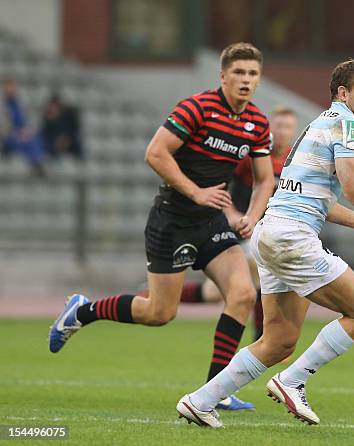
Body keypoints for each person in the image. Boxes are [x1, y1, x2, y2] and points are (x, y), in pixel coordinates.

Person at [175, 59, 354, 428]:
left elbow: (313, 195)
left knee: (279, 341)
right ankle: (293, 380)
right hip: (292, 237)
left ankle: (200, 400)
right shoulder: (347, 124)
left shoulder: (319, 124)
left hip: (272, 232)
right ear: (342, 93)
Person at [49, 43, 276, 411]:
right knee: (159, 313)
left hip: (212, 222)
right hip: (173, 218)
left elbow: (265, 180)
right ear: (223, 76)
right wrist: (196, 192)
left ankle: (213, 392)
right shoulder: (197, 108)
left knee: (243, 294)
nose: (246, 80)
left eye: (252, 74)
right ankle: (81, 311)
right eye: (239, 73)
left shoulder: (258, 123)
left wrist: (253, 213)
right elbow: (155, 152)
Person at [179, 106, 300, 342]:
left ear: (294, 131)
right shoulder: (253, 158)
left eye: (288, 127)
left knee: (218, 291)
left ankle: (264, 340)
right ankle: (265, 339)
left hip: (270, 233)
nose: (283, 132)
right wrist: (233, 214)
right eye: (279, 126)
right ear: (270, 128)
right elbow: (220, 183)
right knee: (256, 275)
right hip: (243, 229)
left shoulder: (293, 162)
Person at [1, 78, 46, 176]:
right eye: (8, 88)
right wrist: (17, 133)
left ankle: (36, 163)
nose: (10, 90)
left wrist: (27, 130)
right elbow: (3, 127)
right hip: (9, 137)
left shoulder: (19, 103)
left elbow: (27, 121)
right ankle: (35, 163)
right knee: (29, 141)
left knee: (34, 138)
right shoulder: (3, 105)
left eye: (12, 88)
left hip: (22, 134)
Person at [41, 93, 83, 160]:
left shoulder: (70, 115)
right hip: (54, 146)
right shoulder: (47, 119)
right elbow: (45, 134)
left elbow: (75, 130)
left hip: (70, 143)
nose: (53, 108)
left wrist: (67, 139)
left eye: (55, 106)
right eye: (52, 106)